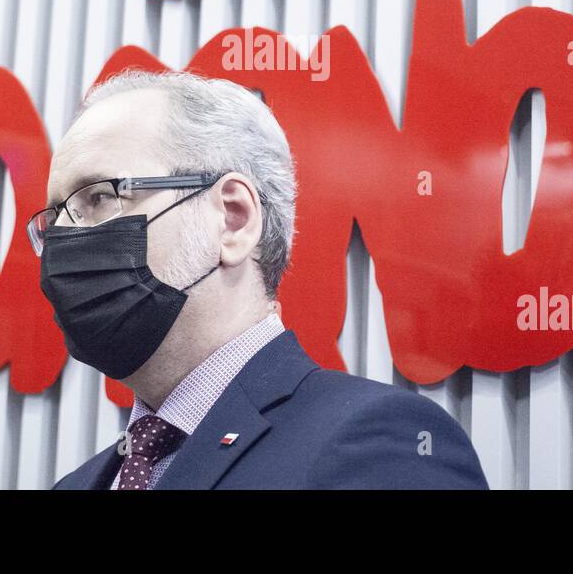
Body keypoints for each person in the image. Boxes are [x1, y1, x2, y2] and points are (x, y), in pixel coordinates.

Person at [33, 68, 488, 489]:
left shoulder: (380, 446)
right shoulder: (77, 484)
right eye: (55, 219)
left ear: (233, 219)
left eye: (99, 197)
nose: (65, 240)